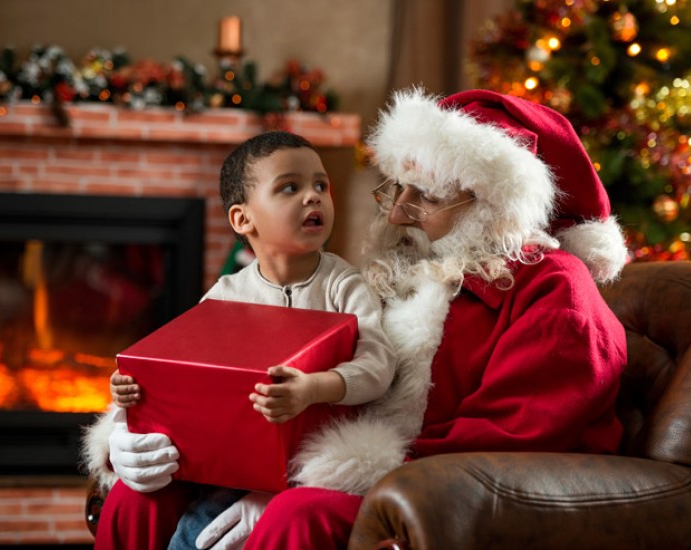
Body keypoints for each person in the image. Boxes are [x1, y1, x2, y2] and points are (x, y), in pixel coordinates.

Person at [86, 87, 630, 550]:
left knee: (298, 516)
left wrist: (305, 479)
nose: (396, 213)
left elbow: (509, 441)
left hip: (448, 490)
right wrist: (136, 434)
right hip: (334, 464)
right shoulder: (396, 273)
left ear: (494, 206)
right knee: (141, 498)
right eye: (398, 188)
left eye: (425, 197)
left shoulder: (557, 290)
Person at [82, 130, 396, 549]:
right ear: (243, 220)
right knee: (172, 519)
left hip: (308, 464)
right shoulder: (225, 294)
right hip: (227, 464)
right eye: (290, 187)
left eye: (321, 185)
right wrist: (132, 400)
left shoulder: (344, 285)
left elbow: (378, 365)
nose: (313, 197)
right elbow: (189, 375)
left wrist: (315, 387)